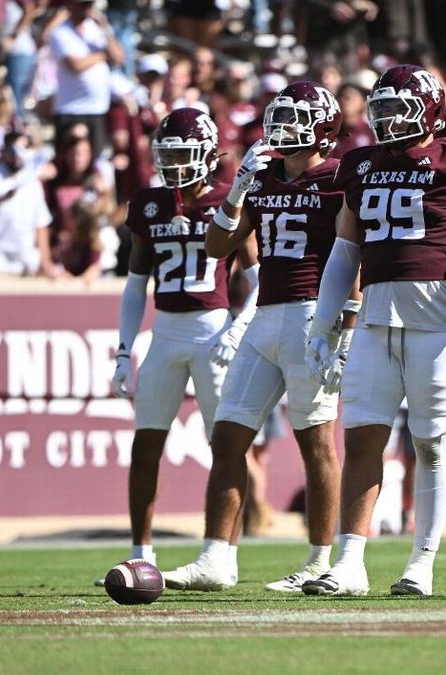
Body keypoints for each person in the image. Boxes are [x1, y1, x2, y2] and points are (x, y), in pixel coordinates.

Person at [300, 64, 446, 597]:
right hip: (375, 320)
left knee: (432, 443)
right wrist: (323, 324)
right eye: (382, 108)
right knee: (362, 437)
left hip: (439, 321)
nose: (389, 119)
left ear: (431, 111)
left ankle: (421, 564)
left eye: (399, 108)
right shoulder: (361, 164)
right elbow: (345, 251)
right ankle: (349, 563)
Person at [161, 82, 352, 594]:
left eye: (294, 119)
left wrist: (345, 326)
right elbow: (216, 246)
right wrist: (238, 189)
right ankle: (215, 558)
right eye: (279, 117)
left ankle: (319, 561)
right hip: (266, 313)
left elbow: (354, 253)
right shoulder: (262, 178)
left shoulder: (338, 177)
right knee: (227, 436)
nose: (282, 128)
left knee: (316, 442)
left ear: (322, 128)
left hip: (314, 314)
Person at [101, 108, 258, 589]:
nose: (173, 165)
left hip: (213, 331)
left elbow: (257, 278)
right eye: (166, 155)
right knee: (146, 443)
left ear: (207, 156)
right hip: (166, 331)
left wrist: (237, 328)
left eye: (183, 155)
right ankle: (140, 555)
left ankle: (224, 554)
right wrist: (124, 351)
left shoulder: (228, 199)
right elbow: (135, 285)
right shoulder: (148, 204)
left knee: (226, 446)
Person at [0, 133, 55, 277]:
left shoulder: (33, 184)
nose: (18, 156)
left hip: (25, 266)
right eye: (14, 150)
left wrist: (46, 263)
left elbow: (41, 225)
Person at [48, 0, 123, 158]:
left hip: (98, 109)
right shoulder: (60, 32)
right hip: (71, 110)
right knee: (68, 160)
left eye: (90, 4)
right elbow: (75, 65)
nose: (88, 8)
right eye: (83, 4)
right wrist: (102, 55)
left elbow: (118, 57)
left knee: (96, 159)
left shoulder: (97, 30)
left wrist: (105, 28)